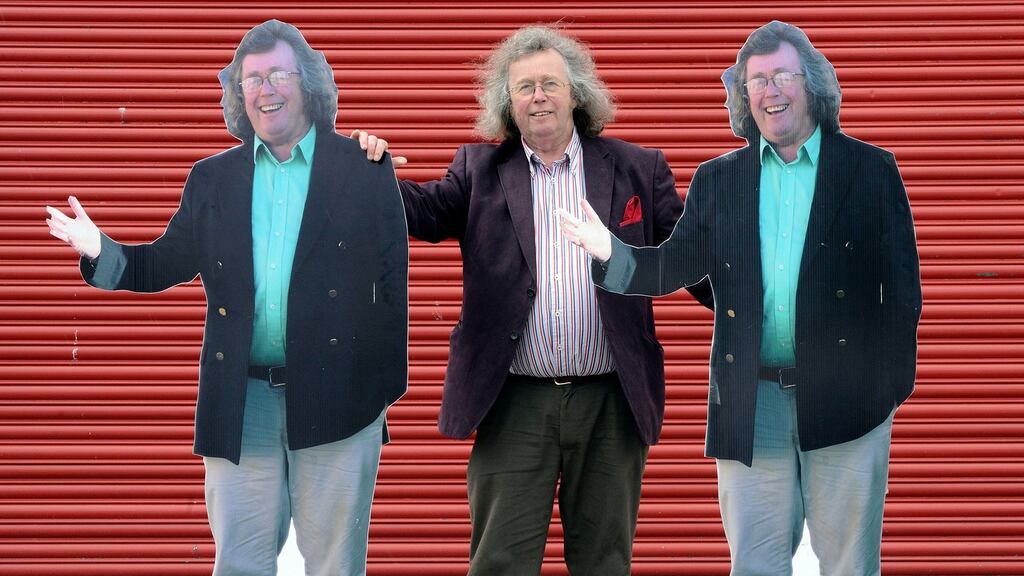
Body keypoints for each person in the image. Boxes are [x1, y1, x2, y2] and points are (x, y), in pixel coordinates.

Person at [44, 19, 407, 576]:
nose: (266, 90)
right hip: (243, 402)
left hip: (341, 398)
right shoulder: (212, 179)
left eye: (278, 74)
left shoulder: (362, 167)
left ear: (307, 83)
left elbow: (393, 283)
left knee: (336, 565)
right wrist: (100, 248)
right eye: (251, 79)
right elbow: (162, 265)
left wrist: (381, 393)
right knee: (239, 563)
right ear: (239, 94)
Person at [560, 20, 922, 576]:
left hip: (851, 399)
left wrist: (888, 390)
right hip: (753, 405)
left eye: (783, 76)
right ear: (742, 96)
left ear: (814, 85)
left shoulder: (870, 169)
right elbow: (672, 267)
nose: (770, 91)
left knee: (850, 563)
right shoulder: (717, 179)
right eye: (756, 81)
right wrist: (608, 249)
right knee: (754, 564)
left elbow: (902, 295)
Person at [356, 24, 685, 575]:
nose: (538, 96)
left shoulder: (637, 168)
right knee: (500, 561)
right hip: (513, 401)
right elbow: (423, 212)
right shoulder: (479, 170)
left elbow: (683, 257)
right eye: (525, 87)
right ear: (507, 104)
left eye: (550, 83)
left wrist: (745, 285)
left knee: (605, 561)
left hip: (611, 399)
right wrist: (368, 172)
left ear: (576, 92)